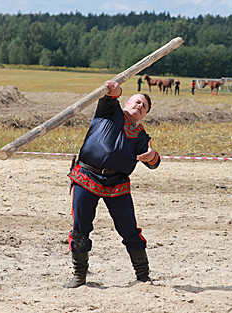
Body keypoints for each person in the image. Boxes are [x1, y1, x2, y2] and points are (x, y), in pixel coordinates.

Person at [65, 80, 161, 288]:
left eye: (144, 107)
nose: (139, 106)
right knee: (80, 227)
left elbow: (154, 163)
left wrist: (152, 156)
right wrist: (115, 91)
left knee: (129, 230)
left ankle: (143, 276)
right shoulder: (110, 112)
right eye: (137, 102)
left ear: (144, 115)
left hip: (117, 184)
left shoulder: (142, 136)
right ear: (127, 103)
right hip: (86, 176)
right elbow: (110, 95)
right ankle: (80, 275)